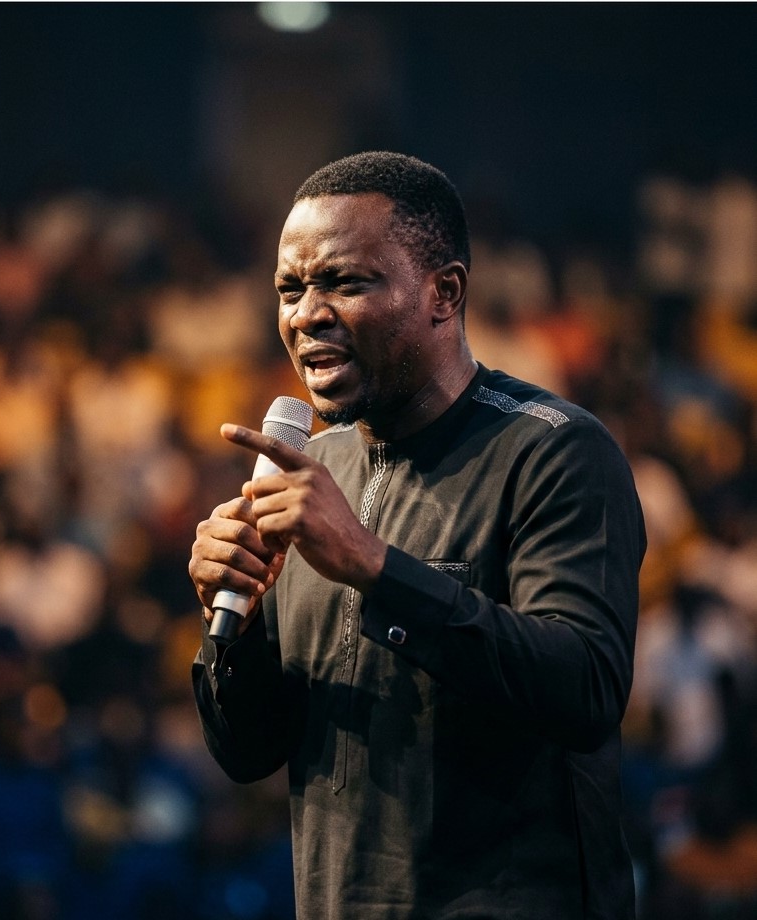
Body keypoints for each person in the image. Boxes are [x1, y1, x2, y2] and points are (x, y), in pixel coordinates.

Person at [189, 151, 646, 919]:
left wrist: (374, 566)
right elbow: (250, 753)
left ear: (444, 292)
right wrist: (227, 630)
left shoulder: (555, 451)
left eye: (345, 282)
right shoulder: (309, 471)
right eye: (290, 289)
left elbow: (586, 689)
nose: (306, 314)